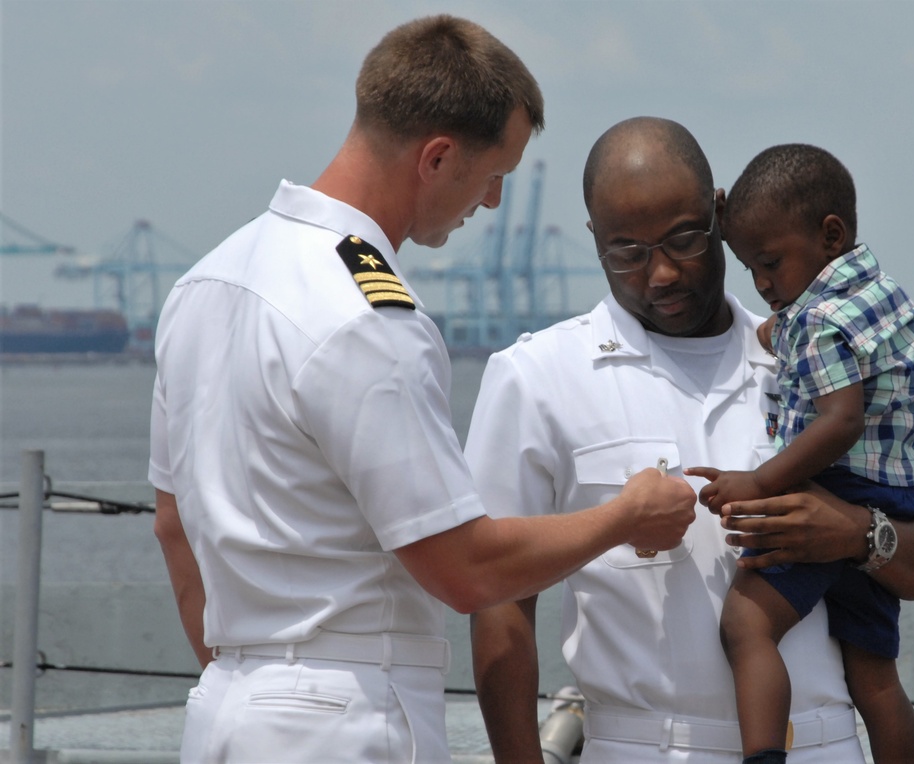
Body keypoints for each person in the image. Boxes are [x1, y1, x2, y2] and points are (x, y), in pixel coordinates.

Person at [149, 22, 696, 764]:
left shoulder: (206, 283)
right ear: (437, 158)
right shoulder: (369, 317)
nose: (495, 201)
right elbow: (464, 569)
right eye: (492, 173)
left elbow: (173, 526)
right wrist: (625, 514)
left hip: (224, 710)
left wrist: (247, 690)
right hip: (342, 718)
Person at [465, 117, 914, 764]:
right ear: (593, 238)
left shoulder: (818, 356)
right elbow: (500, 594)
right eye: (627, 251)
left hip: (824, 746)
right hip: (640, 749)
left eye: (683, 239)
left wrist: (856, 533)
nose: (662, 274)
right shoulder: (537, 377)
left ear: (719, 212)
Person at [687, 143, 914, 764]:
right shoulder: (875, 294)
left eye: (769, 263)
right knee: (875, 679)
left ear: (830, 235)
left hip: (839, 491)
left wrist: (758, 482)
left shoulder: (818, 321)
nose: (763, 283)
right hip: (891, 498)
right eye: (749, 269)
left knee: (746, 626)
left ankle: (764, 757)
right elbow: (798, 336)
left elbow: (840, 421)